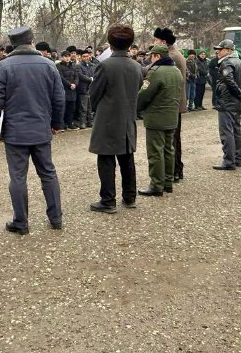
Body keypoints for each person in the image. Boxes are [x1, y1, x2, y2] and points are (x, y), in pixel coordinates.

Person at [0, 27, 65, 235]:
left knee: (18, 177)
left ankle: (21, 222)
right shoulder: (49, 65)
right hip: (41, 128)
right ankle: (56, 218)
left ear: (13, 44)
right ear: (32, 41)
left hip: (15, 132)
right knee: (48, 173)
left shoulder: (4, 66)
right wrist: (56, 124)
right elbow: (59, 98)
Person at [88, 25, 143, 213]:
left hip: (108, 119)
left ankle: (108, 200)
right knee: (127, 159)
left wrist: (97, 110)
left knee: (106, 159)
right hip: (128, 118)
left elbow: (94, 94)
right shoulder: (137, 66)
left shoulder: (104, 66)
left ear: (110, 44)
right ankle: (129, 197)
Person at [137, 45, 184, 196]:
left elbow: (144, 95)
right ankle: (168, 182)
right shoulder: (176, 71)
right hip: (171, 116)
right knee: (169, 149)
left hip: (156, 117)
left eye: (152, 56)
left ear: (157, 56)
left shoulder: (155, 73)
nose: (150, 58)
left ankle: (156, 185)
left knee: (155, 152)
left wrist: (137, 107)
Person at [152, 28, 187, 182]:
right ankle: (176, 170)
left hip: (171, 103)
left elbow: (156, 73)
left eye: (156, 41)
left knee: (171, 140)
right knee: (174, 139)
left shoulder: (170, 56)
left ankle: (174, 170)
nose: (154, 44)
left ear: (163, 42)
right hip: (175, 102)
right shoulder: (175, 54)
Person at [212, 39, 241, 170]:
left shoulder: (227, 63)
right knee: (236, 130)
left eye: (220, 50)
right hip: (237, 103)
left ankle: (229, 161)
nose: (217, 52)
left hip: (228, 102)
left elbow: (229, 80)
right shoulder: (239, 62)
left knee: (227, 132)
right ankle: (238, 158)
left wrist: (240, 93)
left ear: (228, 50)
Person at [57, 50, 79, 130]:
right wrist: (69, 84)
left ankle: (70, 124)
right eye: (65, 56)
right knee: (64, 108)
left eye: (68, 56)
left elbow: (76, 76)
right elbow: (61, 77)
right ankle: (62, 124)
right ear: (62, 57)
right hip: (65, 89)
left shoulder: (73, 65)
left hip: (73, 90)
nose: (67, 58)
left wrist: (75, 84)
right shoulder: (59, 66)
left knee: (72, 108)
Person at [76, 49, 96, 129]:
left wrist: (93, 78)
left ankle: (90, 122)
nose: (86, 58)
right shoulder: (79, 66)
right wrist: (90, 79)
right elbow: (80, 75)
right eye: (84, 56)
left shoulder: (92, 65)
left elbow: (95, 74)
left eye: (87, 56)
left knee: (90, 107)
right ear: (81, 57)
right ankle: (83, 123)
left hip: (91, 88)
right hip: (83, 89)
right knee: (83, 108)